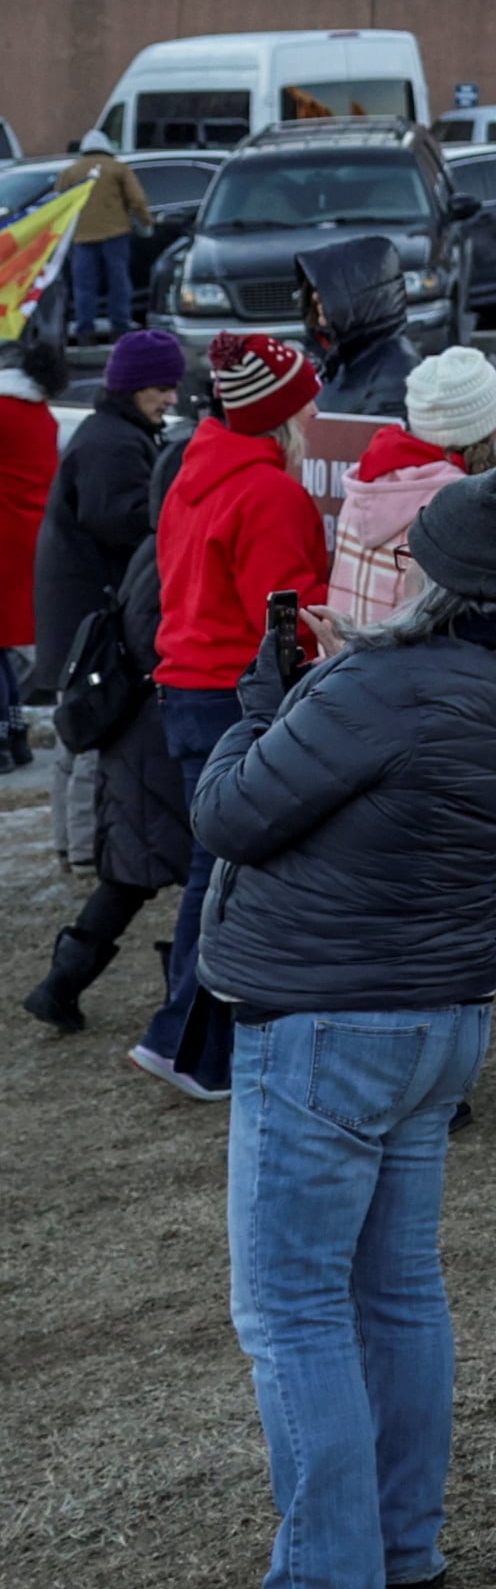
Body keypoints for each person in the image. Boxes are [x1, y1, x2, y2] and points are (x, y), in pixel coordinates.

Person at [177, 459, 496, 1589]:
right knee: (396, 1293)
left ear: (432, 574)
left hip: (326, 1020)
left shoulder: (381, 685)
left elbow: (231, 817)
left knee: (291, 1312)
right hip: (436, 1013)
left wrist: (260, 708)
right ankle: (399, 1544)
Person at [140, 334, 339, 1098]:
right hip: (233, 695)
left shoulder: (196, 472)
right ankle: (187, 1042)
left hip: (186, 686)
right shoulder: (270, 495)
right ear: (277, 416)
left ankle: (185, 1038)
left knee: (212, 870)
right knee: (223, 875)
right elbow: (281, 621)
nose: (317, 411)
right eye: (304, 400)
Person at [22, 329, 183, 1029]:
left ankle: (66, 980)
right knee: (93, 776)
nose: (168, 398)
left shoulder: (107, 434)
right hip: (107, 643)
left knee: (129, 856)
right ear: (129, 387)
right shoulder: (113, 445)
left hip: (96, 636)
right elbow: (125, 521)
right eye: (160, 388)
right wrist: (179, 503)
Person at [296, 236, 419, 421]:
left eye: (327, 289)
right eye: (314, 288)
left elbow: (384, 441)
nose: (315, 297)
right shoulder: (340, 355)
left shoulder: (396, 371)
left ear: (357, 297)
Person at [0, 318, 51, 762]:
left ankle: (4, 736)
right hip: (23, 539)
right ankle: (13, 733)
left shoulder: (4, 413)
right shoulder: (39, 413)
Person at [59, 142, 155, 340]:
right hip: (116, 234)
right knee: (118, 281)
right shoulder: (118, 168)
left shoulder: (71, 172)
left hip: (82, 237)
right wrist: (146, 222)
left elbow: (59, 201)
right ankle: (119, 326)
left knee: (84, 286)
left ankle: (85, 330)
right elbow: (136, 199)